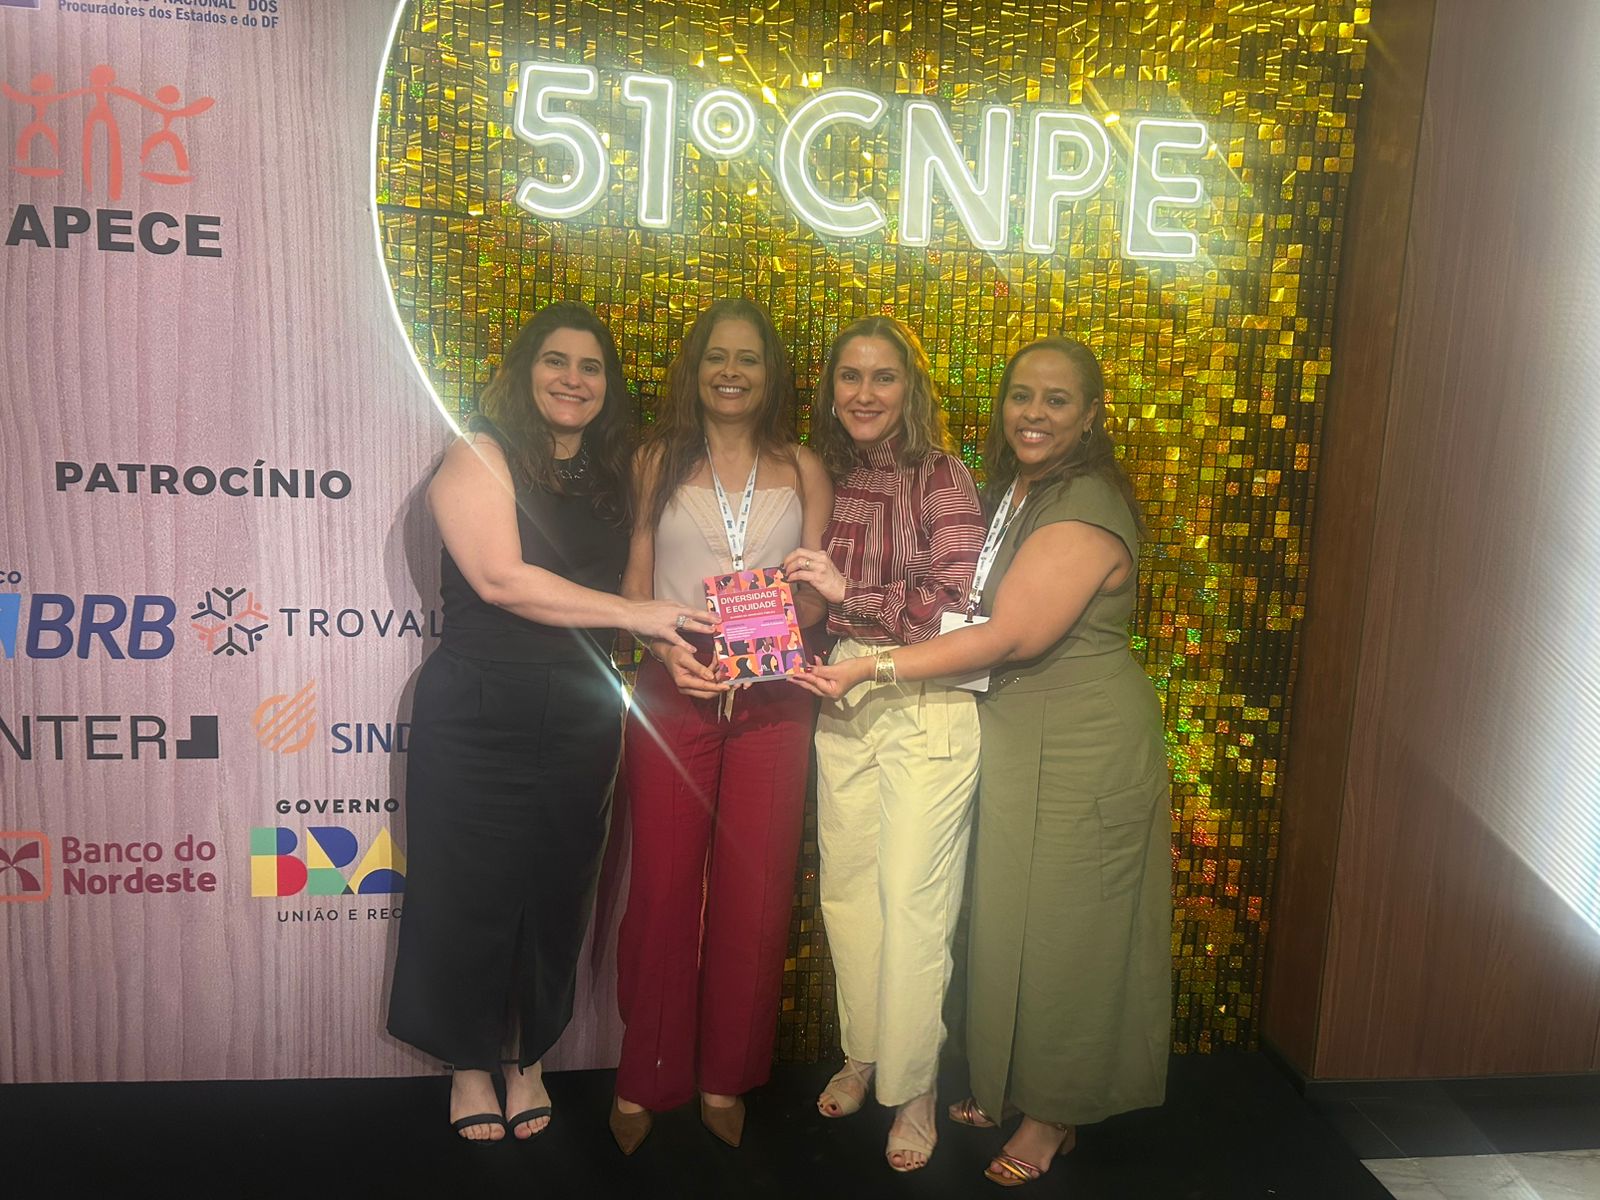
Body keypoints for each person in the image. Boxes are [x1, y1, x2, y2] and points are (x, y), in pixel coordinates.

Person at [794, 337, 1171, 1188]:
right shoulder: (1019, 489)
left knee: (1070, 929)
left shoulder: (1067, 498)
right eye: (1020, 396)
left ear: (1091, 414)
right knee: (1003, 923)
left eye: (1056, 400)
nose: (1033, 414)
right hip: (1008, 723)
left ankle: (1051, 1114)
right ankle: (983, 1079)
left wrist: (867, 655)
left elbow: (997, 627)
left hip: (1077, 736)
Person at [386, 301, 716, 1143]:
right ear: (525, 372)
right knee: (465, 890)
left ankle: (528, 1056)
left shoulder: (612, 479)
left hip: (580, 708)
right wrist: (639, 616)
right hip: (478, 705)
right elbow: (502, 580)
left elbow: (633, 601)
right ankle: (467, 1064)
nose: (574, 380)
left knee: (559, 890)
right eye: (557, 362)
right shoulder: (479, 454)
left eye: (592, 367)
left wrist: (672, 640)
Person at [610, 298, 832, 1153]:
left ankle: (724, 1075)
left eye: (749, 358)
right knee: (663, 888)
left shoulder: (803, 465)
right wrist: (664, 651)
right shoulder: (654, 459)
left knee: (758, 889)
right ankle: (646, 1073)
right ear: (694, 370)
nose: (731, 372)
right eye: (716, 358)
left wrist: (787, 620)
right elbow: (635, 582)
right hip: (674, 691)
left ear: (770, 374)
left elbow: (815, 589)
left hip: (776, 698)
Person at [781, 315, 985, 1173]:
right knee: (852, 893)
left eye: (883, 378)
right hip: (842, 694)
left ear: (912, 387)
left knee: (914, 901)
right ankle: (867, 1051)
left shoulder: (942, 474)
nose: (864, 394)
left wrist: (845, 599)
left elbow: (953, 601)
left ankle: (917, 1086)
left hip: (924, 693)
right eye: (850, 378)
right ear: (833, 388)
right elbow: (808, 598)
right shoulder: (830, 477)